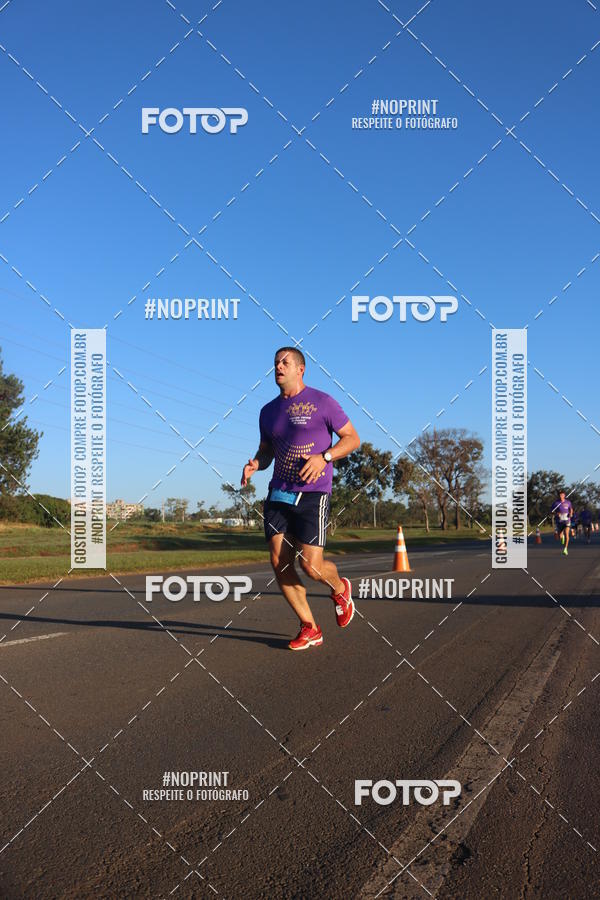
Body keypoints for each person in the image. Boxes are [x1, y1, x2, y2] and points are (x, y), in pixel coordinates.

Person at [242, 347, 360, 650]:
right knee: (279, 562)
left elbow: (352, 438)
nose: (278, 367)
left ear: (300, 369)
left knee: (312, 566)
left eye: (285, 362)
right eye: (276, 363)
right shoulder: (267, 411)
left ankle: (339, 588)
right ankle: (310, 626)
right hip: (279, 492)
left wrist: (325, 457)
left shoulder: (322, 401)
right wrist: (256, 464)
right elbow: (267, 450)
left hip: (313, 492)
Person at [551, 491, 573, 556]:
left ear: (564, 495)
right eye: (560, 495)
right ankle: (562, 536)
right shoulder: (556, 503)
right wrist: (556, 513)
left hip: (567, 520)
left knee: (567, 534)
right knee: (560, 536)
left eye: (562, 495)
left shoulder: (568, 502)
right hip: (559, 521)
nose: (561, 496)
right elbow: (551, 511)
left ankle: (565, 549)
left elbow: (571, 509)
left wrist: (571, 513)